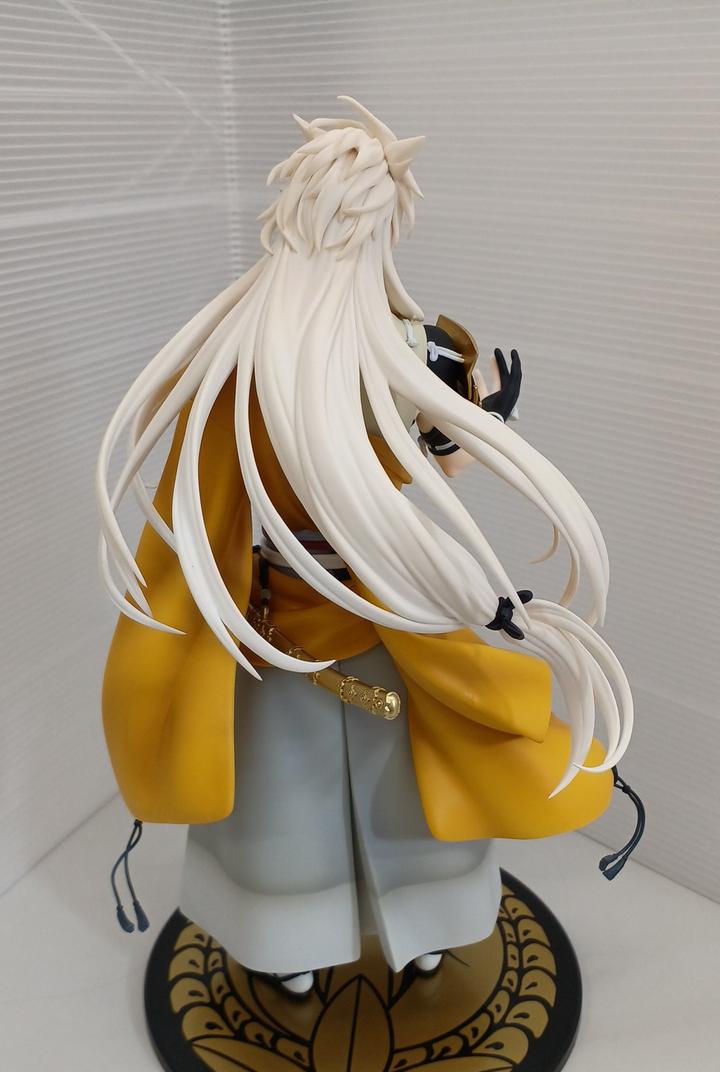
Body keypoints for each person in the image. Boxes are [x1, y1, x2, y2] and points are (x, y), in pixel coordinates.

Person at [98, 99, 633, 995]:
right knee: (284, 797)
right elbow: (215, 499)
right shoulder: (243, 365)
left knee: (405, 789)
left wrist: (469, 429)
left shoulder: (406, 349)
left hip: (381, 614)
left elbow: (427, 466)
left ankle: (422, 924)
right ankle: (293, 939)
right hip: (281, 630)